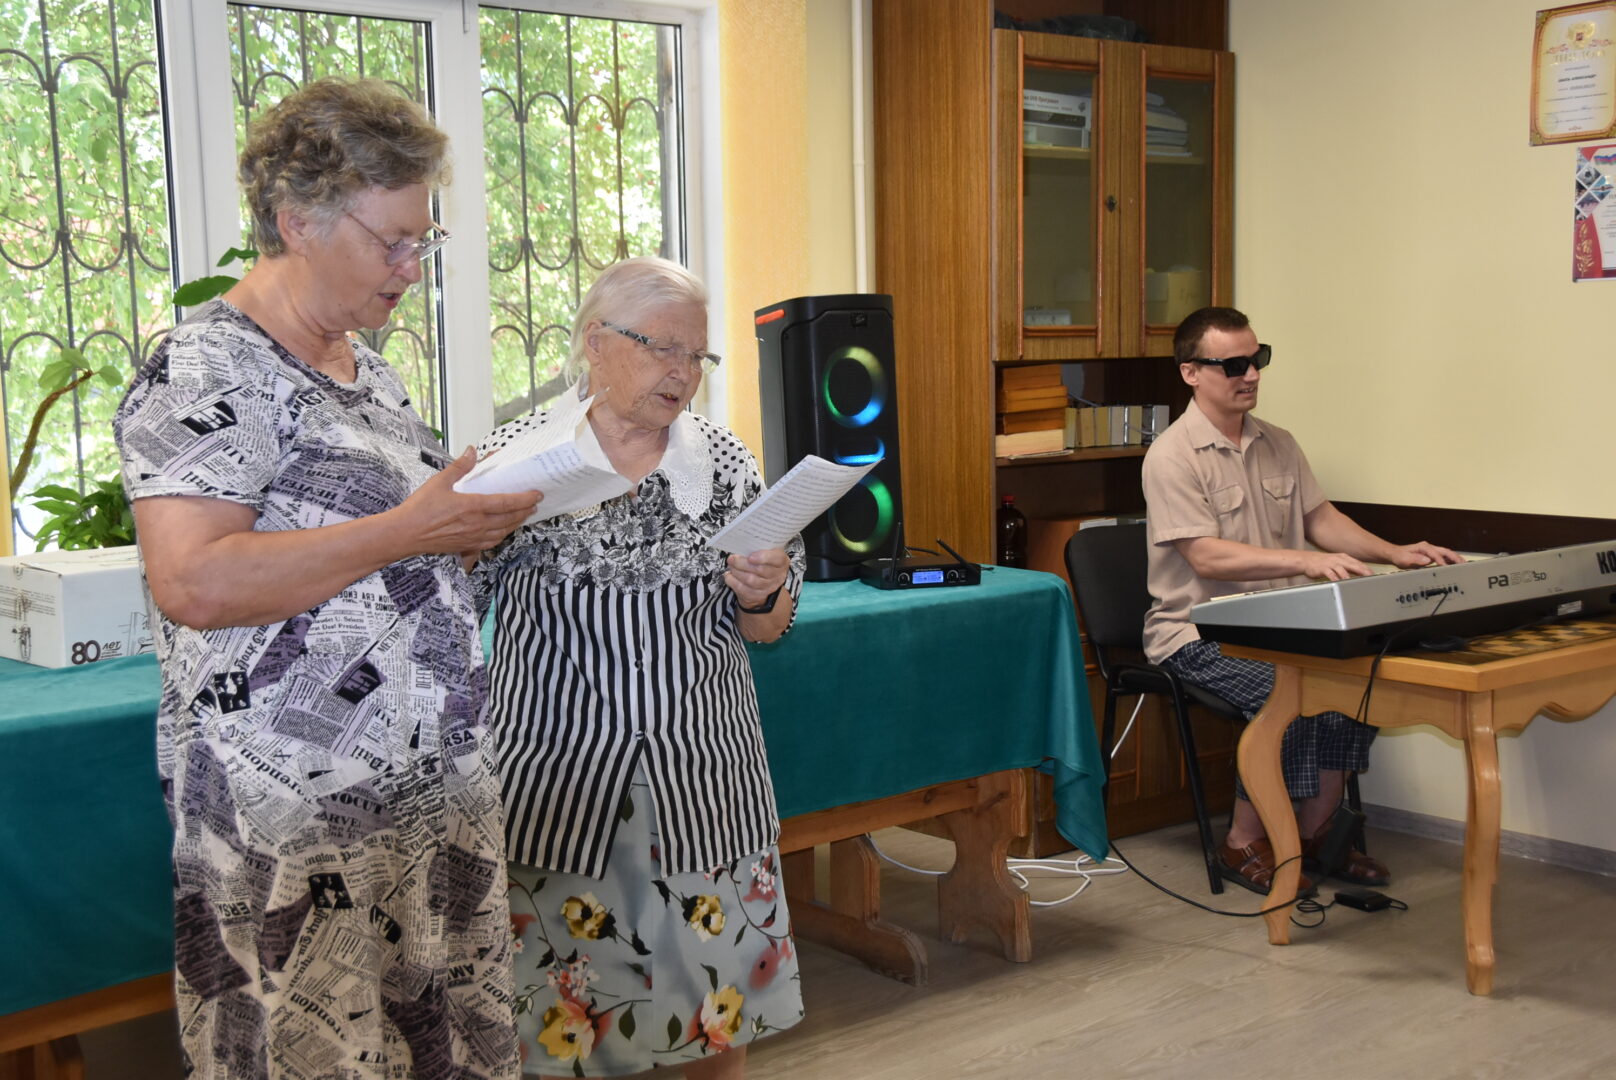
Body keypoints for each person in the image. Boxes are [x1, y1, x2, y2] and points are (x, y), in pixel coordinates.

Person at [113, 78, 540, 1079]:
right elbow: (197, 583)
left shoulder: (369, 372)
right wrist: (409, 528)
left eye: (419, 242)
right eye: (390, 241)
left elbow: (389, 557)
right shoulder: (204, 370)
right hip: (296, 831)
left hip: (426, 803)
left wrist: (460, 531)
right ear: (297, 220)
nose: (409, 269)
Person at [473, 256, 805, 1079]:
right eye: (662, 349)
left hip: (703, 782)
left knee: (710, 1023)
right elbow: (448, 612)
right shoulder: (517, 461)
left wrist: (763, 591)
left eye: (697, 356)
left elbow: (769, 628)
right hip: (560, 789)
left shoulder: (722, 462)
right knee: (564, 1034)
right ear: (596, 342)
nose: (682, 374)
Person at [1141, 306, 1462, 895]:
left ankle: (1317, 839)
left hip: (1283, 624)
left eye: (1257, 359)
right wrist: (1305, 562)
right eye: (1234, 364)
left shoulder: (1278, 443)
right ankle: (1242, 841)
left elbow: (1320, 519)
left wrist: (1395, 551)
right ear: (1191, 372)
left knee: (1358, 681)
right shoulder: (1172, 456)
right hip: (1198, 632)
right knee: (1287, 694)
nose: (1252, 374)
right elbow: (1207, 557)